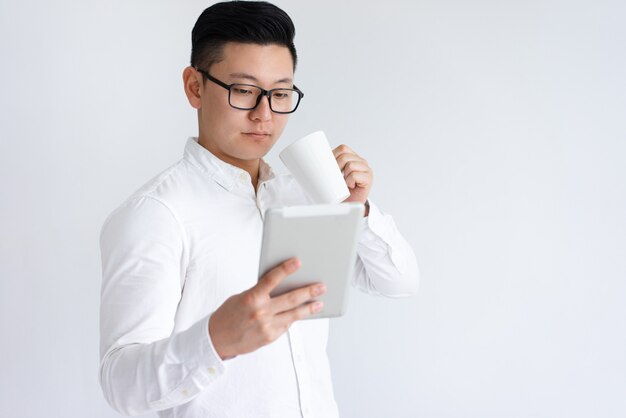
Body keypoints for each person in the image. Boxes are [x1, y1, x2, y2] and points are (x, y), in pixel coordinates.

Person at [99, 1, 419, 417]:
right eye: (244, 90)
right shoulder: (155, 214)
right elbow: (120, 386)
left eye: (281, 93)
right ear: (195, 86)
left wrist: (358, 210)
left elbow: (399, 282)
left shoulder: (304, 195)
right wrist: (216, 340)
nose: (264, 115)